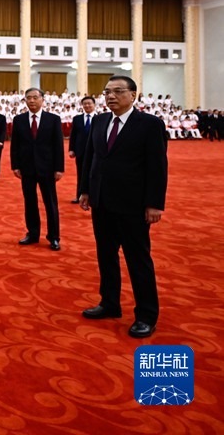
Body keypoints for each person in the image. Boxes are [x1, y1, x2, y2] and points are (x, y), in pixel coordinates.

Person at [78, 76, 167, 339]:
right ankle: (109, 303)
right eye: (107, 92)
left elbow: (157, 167)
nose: (111, 96)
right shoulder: (100, 121)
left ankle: (146, 315)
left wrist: (154, 203)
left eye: (118, 91)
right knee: (106, 255)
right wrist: (85, 190)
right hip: (102, 201)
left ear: (133, 95)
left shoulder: (149, 124)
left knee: (138, 260)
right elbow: (91, 158)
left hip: (133, 205)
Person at [10, 87, 65, 251]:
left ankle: (54, 237)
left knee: (50, 203)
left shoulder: (53, 119)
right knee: (30, 201)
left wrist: (59, 168)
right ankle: (33, 233)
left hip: (47, 168)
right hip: (26, 167)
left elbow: (58, 145)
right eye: (29, 98)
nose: (32, 101)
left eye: (35, 97)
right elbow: (15, 145)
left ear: (42, 99)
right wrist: (15, 165)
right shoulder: (19, 119)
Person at [68, 95, 97, 203]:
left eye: (89, 103)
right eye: (85, 104)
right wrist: (71, 149)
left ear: (94, 105)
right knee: (81, 174)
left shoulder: (100, 118)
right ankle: (79, 196)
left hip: (95, 152)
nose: (87, 105)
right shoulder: (77, 119)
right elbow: (73, 135)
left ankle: (94, 197)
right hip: (80, 151)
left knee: (95, 174)